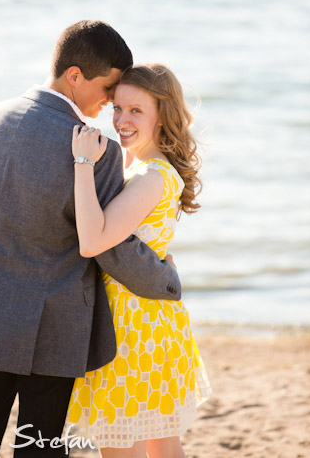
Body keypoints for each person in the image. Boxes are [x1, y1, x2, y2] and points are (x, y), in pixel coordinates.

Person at [0, 21, 182, 457]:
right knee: (40, 451)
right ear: (75, 75)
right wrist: (163, 279)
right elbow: (112, 246)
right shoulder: (96, 150)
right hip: (52, 333)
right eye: (109, 89)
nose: (112, 101)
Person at [66, 63, 211, 457]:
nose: (121, 120)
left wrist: (82, 163)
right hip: (153, 323)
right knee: (161, 445)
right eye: (118, 108)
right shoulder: (145, 168)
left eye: (136, 111)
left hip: (132, 328)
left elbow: (92, 241)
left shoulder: (150, 176)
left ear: (161, 116)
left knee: (121, 446)